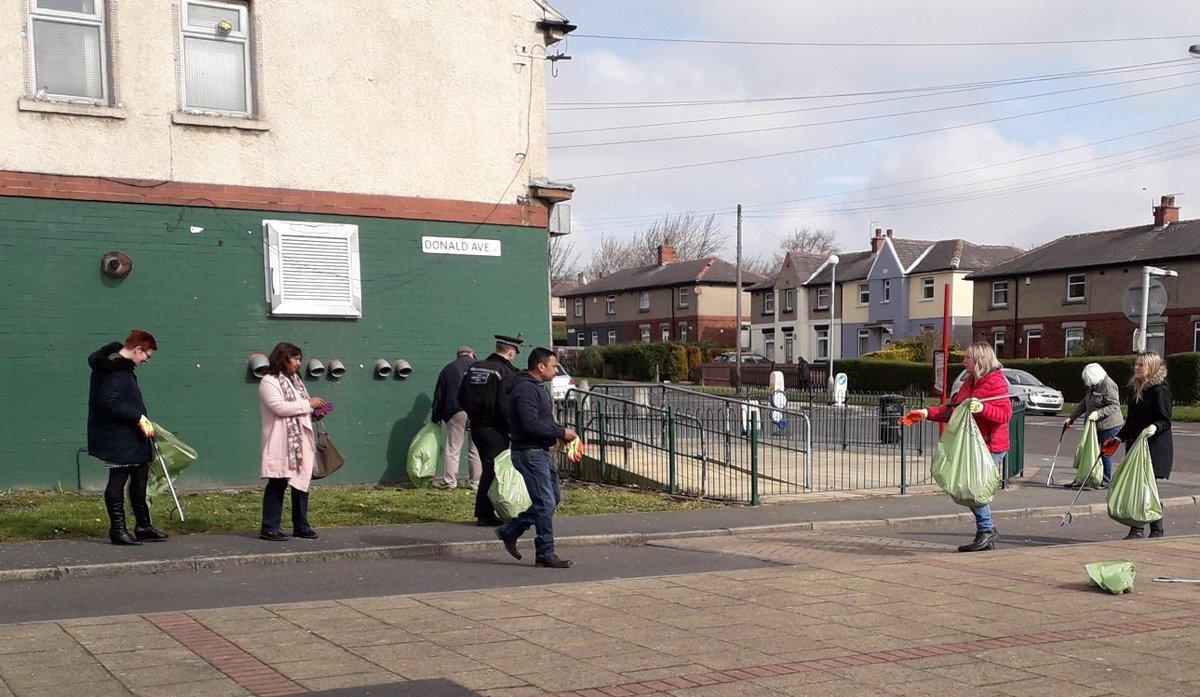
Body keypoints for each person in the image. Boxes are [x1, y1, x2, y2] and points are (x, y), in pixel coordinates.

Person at [902, 342, 1012, 553]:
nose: (964, 361)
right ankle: (986, 532)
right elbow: (953, 410)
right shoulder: (969, 383)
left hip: (989, 446)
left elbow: (1004, 414)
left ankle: (986, 530)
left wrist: (982, 408)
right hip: (971, 444)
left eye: (967, 358)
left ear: (979, 360)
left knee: (970, 488)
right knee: (967, 488)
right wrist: (926, 413)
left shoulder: (995, 382)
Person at [495, 347, 578, 568]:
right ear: (540, 366)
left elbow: (542, 420)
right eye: (553, 366)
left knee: (552, 499)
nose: (555, 371)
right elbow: (529, 423)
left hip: (539, 450)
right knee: (545, 502)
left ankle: (511, 530)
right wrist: (560, 432)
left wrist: (559, 432)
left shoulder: (535, 387)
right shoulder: (525, 389)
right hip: (529, 452)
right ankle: (545, 552)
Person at [87, 329, 169, 546]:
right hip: (117, 436)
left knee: (140, 474)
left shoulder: (117, 366)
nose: (146, 360)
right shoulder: (116, 371)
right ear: (138, 349)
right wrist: (138, 417)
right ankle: (118, 530)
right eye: (147, 355)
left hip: (130, 435)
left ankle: (143, 526)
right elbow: (108, 402)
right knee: (118, 478)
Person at [258, 342, 328, 542]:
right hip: (282, 441)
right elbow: (279, 407)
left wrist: (314, 412)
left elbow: (300, 408)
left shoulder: (295, 381)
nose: (298, 363)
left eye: (299, 359)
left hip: (300, 441)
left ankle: (301, 526)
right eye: (295, 358)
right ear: (283, 358)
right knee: (278, 483)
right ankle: (269, 527)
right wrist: (308, 404)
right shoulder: (269, 381)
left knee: (301, 484)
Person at [1105, 351, 1172, 540]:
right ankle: (1144, 530)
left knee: (1144, 488)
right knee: (1141, 488)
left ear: (1152, 367)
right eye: (1136, 364)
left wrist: (1153, 427)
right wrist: (1118, 439)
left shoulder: (1160, 391)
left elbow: (1165, 420)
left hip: (1154, 448)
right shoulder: (1136, 391)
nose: (1136, 367)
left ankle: (1147, 530)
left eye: (1141, 365)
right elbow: (1131, 423)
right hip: (1136, 446)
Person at [458, 334, 523, 526]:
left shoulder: (474, 367)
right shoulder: (503, 372)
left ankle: (487, 512)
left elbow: (461, 396)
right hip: (495, 428)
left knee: (490, 468)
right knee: (493, 470)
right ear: (510, 352)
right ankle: (485, 514)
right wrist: (513, 428)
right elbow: (504, 404)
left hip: (476, 426)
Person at [431, 346, 482, 491]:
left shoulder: (448, 369)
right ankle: (476, 483)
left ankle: (450, 482)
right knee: (475, 449)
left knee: (453, 449)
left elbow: (439, 396)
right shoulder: (480, 367)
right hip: (477, 411)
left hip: (455, 410)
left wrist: (436, 417)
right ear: (472, 354)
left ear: (458, 355)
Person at [1064, 362, 1124, 488]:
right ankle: (1083, 478)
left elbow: (1114, 405)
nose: (1087, 383)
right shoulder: (1094, 386)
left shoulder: (1109, 385)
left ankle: (1106, 481)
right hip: (1094, 425)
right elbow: (1084, 403)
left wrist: (1098, 413)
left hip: (1109, 425)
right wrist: (1071, 418)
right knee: (1087, 451)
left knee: (1105, 452)